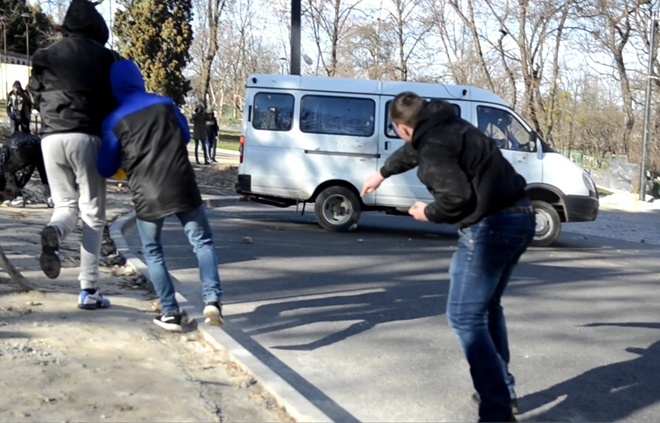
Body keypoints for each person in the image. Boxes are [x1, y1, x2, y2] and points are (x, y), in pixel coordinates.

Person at [361, 92, 535, 423]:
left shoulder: (432, 146)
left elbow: (456, 198)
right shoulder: (449, 123)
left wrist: (427, 212)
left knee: (464, 317)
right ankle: (503, 390)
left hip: (491, 227)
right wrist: (382, 173)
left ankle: (497, 410)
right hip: (521, 215)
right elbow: (411, 152)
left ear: (402, 127)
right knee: (486, 308)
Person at [98, 59, 224, 332]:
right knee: (202, 243)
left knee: (153, 252)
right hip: (182, 183)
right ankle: (212, 299)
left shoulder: (114, 119)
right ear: (139, 79)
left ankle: (170, 312)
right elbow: (185, 136)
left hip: (147, 193)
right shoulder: (165, 104)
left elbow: (105, 167)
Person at [27, 0, 120, 310]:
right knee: (93, 213)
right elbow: (115, 99)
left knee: (65, 204)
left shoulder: (44, 55)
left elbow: (34, 92)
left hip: (50, 138)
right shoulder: (106, 58)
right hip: (87, 137)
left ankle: (55, 231)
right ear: (96, 29)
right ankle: (89, 288)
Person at [0, 131, 53, 208]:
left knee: (7, 169)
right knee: (44, 174)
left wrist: (16, 189)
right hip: (40, 146)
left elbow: (2, 165)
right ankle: (51, 199)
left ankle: (18, 198)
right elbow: (28, 171)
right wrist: (20, 186)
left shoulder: (5, 148)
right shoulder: (12, 141)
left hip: (22, 147)